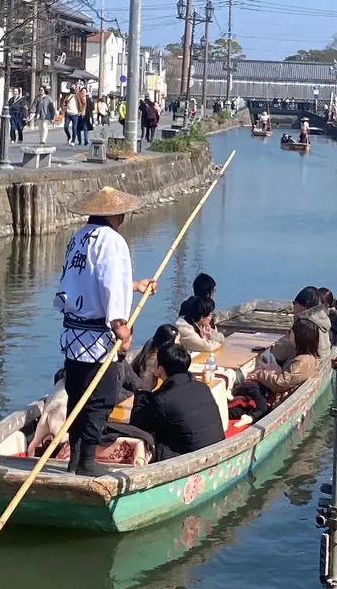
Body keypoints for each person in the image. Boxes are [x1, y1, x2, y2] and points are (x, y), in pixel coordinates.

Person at [53, 187, 157, 473]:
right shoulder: (112, 241)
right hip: (97, 337)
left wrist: (135, 286)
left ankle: (75, 459)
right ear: (115, 214)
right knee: (100, 399)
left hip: (73, 336)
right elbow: (109, 284)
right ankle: (86, 461)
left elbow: (89, 282)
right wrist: (119, 325)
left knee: (77, 396)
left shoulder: (78, 237)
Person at [130, 340, 225, 460]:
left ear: (160, 369)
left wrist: (144, 390)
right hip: (216, 450)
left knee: (146, 443)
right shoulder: (202, 387)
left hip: (191, 459)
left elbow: (136, 428)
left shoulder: (163, 401)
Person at [237, 316, 323, 410]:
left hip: (279, 401)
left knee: (248, 386)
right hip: (284, 394)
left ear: (299, 336)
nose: (289, 333)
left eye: (291, 331)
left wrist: (258, 374)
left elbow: (280, 384)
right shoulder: (307, 357)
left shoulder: (302, 362)